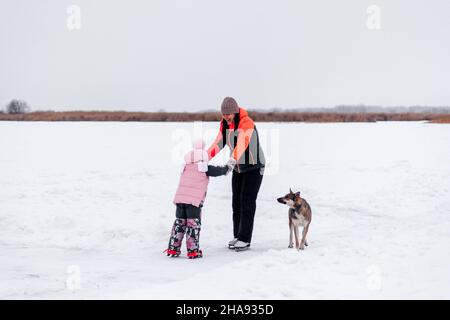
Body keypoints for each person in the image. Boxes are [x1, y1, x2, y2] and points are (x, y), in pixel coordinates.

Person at [207, 97, 265, 251]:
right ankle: (238, 236)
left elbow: (242, 142)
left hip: (254, 167)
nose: (226, 116)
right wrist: (203, 157)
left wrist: (231, 160)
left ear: (235, 111)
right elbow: (218, 143)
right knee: (236, 203)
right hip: (239, 168)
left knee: (247, 201)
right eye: (223, 114)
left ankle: (245, 239)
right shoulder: (225, 125)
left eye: (228, 114)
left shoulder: (246, 122)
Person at [165, 139, 235, 259]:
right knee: (192, 225)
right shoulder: (204, 167)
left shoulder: (185, 166)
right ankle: (193, 250)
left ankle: (173, 248)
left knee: (179, 223)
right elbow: (222, 171)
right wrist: (230, 164)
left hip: (180, 200)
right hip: (193, 202)